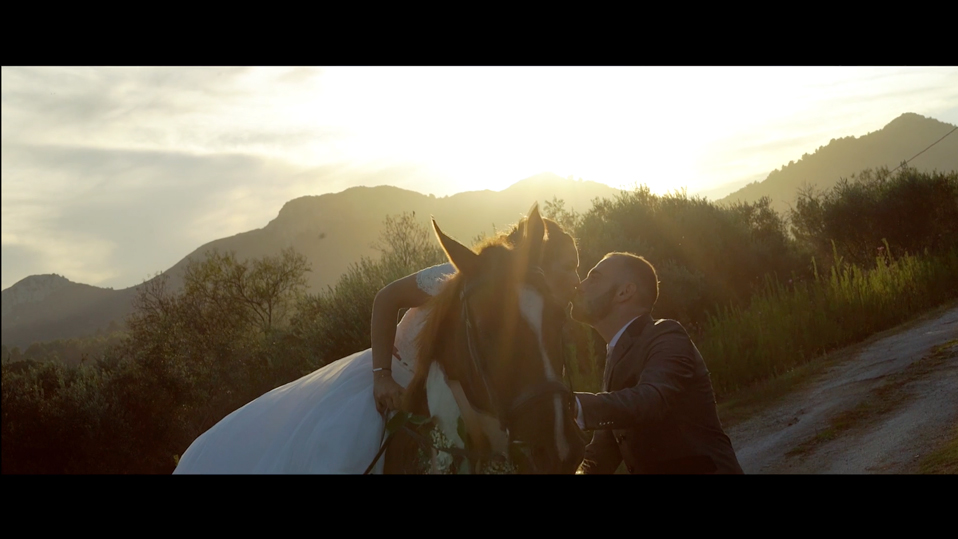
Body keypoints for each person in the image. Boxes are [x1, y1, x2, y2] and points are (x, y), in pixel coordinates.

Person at [172, 214, 580, 474]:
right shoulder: (458, 281)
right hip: (397, 381)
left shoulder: (529, 306)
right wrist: (382, 376)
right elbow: (386, 299)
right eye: (567, 267)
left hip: (450, 392)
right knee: (347, 457)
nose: (573, 278)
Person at [570, 252, 743, 474]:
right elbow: (604, 451)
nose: (579, 285)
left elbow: (653, 399)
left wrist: (570, 404)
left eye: (593, 277)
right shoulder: (615, 355)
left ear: (624, 292)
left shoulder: (667, 335)